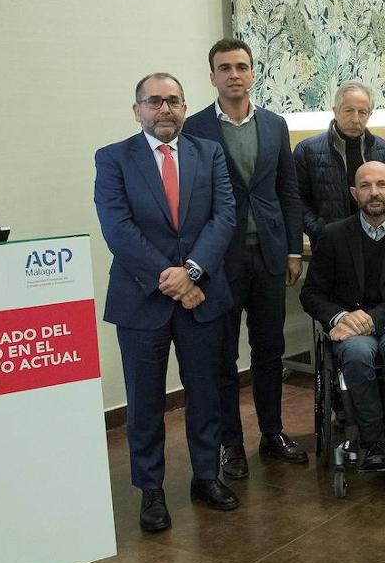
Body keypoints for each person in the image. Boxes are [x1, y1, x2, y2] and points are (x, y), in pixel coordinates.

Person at [94, 72, 239, 531]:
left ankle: (206, 476)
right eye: (154, 101)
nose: (165, 110)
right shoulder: (114, 158)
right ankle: (151, 491)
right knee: (144, 401)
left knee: (205, 393)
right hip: (141, 300)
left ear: (184, 106)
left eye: (174, 101)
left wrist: (192, 271)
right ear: (137, 109)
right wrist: (171, 279)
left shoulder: (209, 152)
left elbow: (224, 215)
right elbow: (118, 229)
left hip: (201, 294)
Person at [183, 38, 307, 479]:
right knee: (222, 357)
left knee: (270, 350)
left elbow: (287, 192)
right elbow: (192, 202)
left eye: (241, 66)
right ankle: (230, 443)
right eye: (224, 68)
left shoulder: (275, 125)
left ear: (253, 73)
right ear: (212, 76)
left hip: (270, 254)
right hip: (220, 261)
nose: (234, 74)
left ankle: (272, 434)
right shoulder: (194, 127)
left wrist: (294, 249)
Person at [300, 161, 385, 470]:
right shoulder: (333, 236)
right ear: (353, 193)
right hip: (351, 327)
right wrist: (340, 317)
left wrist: (369, 319)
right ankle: (372, 442)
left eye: (382, 184)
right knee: (357, 355)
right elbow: (312, 293)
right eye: (366, 186)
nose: (375, 193)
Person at [294, 80, 385, 245]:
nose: (355, 119)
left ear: (370, 114)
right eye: (349, 111)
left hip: (376, 243)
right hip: (329, 244)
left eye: (362, 112)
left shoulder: (382, 149)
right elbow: (297, 201)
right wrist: (320, 231)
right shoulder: (307, 151)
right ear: (335, 111)